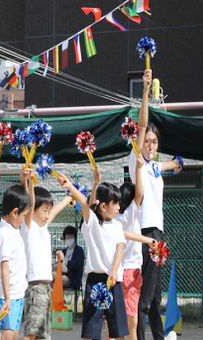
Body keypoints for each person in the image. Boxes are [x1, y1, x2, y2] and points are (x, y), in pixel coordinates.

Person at [132, 69, 183, 340]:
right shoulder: (137, 161)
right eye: (147, 141)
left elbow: (165, 164)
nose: (149, 145)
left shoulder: (153, 166)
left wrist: (176, 164)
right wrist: (145, 91)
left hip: (157, 233)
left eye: (154, 142)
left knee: (155, 293)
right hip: (145, 233)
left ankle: (160, 336)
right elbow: (142, 126)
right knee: (145, 296)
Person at [61, 172, 129, 340]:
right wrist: (70, 186)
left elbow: (120, 247)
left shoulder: (117, 226)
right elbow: (85, 204)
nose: (119, 207)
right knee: (91, 328)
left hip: (114, 280)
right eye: (116, 203)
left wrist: (114, 271)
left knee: (118, 328)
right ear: (104, 206)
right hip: (94, 280)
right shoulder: (92, 223)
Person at [21, 170, 71, 340]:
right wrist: (29, 183)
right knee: (31, 332)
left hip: (45, 287)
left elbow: (54, 211)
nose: (47, 215)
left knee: (43, 334)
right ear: (31, 210)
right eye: (44, 210)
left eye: (48, 211)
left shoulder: (42, 228)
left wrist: (67, 198)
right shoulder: (28, 227)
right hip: (34, 287)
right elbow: (30, 201)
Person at [117, 155, 157, 340]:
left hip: (119, 273)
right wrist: (139, 170)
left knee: (117, 319)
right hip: (131, 272)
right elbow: (140, 195)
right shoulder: (130, 216)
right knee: (131, 321)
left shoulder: (116, 219)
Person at [0, 181, 32, 340]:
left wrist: (26, 182)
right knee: (8, 335)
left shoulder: (13, 229)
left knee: (14, 334)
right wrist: (8, 298)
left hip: (17, 294)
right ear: (15, 212)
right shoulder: (4, 233)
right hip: (7, 297)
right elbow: (4, 267)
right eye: (23, 215)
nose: (24, 220)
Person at [59, 226, 85, 290]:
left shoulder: (79, 250)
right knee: (53, 276)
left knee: (58, 280)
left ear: (75, 238)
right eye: (67, 237)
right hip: (63, 276)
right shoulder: (64, 251)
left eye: (71, 237)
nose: (69, 239)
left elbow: (76, 265)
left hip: (74, 280)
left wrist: (64, 260)